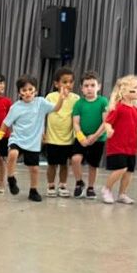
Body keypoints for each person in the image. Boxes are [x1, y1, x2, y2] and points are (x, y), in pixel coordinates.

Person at [0, 75, 66, 202]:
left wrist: (61, 99)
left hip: (33, 143)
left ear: (35, 91)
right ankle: (11, 178)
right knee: (13, 154)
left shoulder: (41, 103)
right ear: (19, 93)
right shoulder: (16, 107)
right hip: (18, 139)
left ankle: (33, 190)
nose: (27, 93)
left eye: (30, 89)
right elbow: (5, 123)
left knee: (34, 169)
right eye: (24, 90)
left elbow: (56, 108)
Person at [99, 75, 137, 204]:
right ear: (123, 91)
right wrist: (109, 130)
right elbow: (107, 122)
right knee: (121, 168)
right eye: (133, 88)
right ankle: (106, 189)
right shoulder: (117, 107)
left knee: (129, 171)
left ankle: (122, 194)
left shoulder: (136, 110)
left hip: (131, 146)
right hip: (117, 145)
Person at [70, 71, 110, 199]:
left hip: (98, 139)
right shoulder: (79, 103)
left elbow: (105, 122)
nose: (89, 88)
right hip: (81, 138)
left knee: (93, 164)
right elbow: (75, 123)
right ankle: (79, 182)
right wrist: (81, 137)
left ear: (99, 86)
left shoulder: (103, 101)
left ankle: (91, 187)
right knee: (75, 159)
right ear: (81, 88)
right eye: (86, 86)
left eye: (93, 85)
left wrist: (95, 136)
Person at [44, 67, 79, 196]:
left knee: (64, 164)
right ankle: (51, 185)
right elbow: (43, 114)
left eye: (70, 82)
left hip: (68, 138)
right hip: (52, 138)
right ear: (56, 84)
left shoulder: (76, 98)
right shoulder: (50, 97)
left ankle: (63, 185)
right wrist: (42, 132)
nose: (68, 84)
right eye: (64, 82)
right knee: (52, 164)